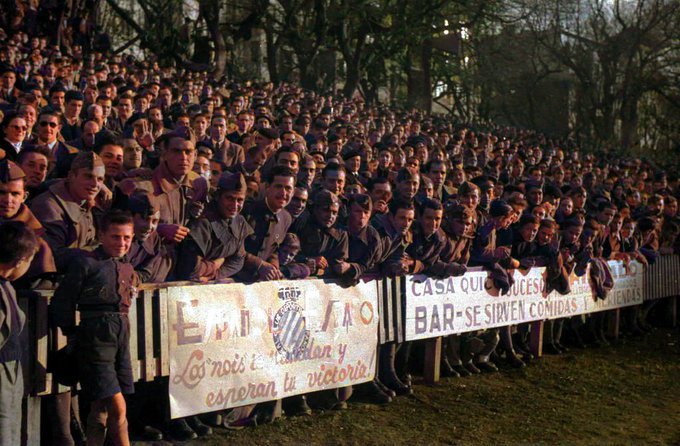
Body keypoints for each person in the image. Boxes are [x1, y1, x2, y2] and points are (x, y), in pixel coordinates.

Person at [50, 210, 140, 446]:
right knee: (118, 406)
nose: (121, 243)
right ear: (102, 235)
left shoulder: (127, 269)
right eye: (115, 237)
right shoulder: (86, 264)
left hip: (120, 338)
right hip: (95, 338)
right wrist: (72, 334)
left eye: (127, 238)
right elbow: (63, 301)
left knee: (100, 406)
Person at [0, 221, 38, 446]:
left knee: (11, 425)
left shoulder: (7, 286)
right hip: (2, 370)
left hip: (12, 367)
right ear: (19, 261)